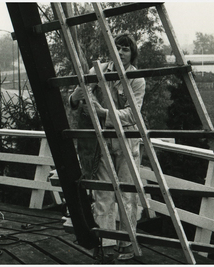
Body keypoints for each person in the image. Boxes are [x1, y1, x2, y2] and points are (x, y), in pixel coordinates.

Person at [69, 33, 145, 261]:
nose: (121, 52)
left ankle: (127, 245)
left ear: (132, 53)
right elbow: (77, 96)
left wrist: (104, 113)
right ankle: (104, 243)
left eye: (126, 49)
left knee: (127, 195)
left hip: (126, 141)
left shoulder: (136, 79)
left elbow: (133, 113)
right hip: (101, 141)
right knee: (103, 193)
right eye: (118, 48)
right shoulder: (97, 71)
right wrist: (75, 97)